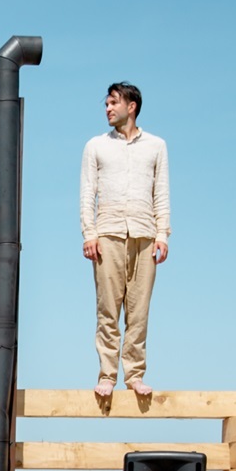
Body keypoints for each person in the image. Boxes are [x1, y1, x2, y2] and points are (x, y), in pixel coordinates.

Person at [80, 82, 170, 398]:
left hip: (145, 234)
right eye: (106, 103)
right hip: (108, 234)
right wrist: (89, 234)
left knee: (139, 310)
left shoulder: (157, 146)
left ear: (131, 106)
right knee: (108, 309)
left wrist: (163, 234)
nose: (107, 108)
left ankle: (134, 375)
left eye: (113, 103)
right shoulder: (95, 146)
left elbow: (161, 192)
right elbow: (87, 191)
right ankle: (107, 374)